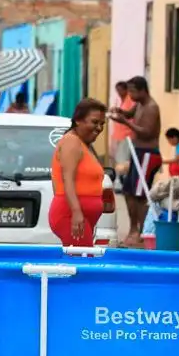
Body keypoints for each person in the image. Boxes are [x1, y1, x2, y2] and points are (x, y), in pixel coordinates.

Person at [108, 76, 161, 248]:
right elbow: (130, 114)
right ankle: (133, 229)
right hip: (137, 153)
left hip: (147, 154)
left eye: (132, 91)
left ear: (142, 90)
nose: (129, 95)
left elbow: (147, 132)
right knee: (128, 191)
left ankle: (143, 231)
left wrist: (125, 123)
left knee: (140, 194)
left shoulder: (151, 107)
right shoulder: (139, 104)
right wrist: (120, 112)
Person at [49, 99, 108, 247]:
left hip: (80, 215)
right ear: (78, 121)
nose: (99, 128)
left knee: (80, 257)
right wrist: (76, 212)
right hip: (71, 214)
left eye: (102, 124)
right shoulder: (71, 141)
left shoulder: (83, 145)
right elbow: (67, 179)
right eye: (95, 122)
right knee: (83, 257)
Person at [108, 81, 133, 164]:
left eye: (120, 90)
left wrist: (115, 116)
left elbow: (129, 116)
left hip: (126, 135)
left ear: (126, 90)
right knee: (117, 158)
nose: (119, 92)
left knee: (122, 160)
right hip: (118, 135)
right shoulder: (119, 99)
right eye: (117, 90)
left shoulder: (130, 100)